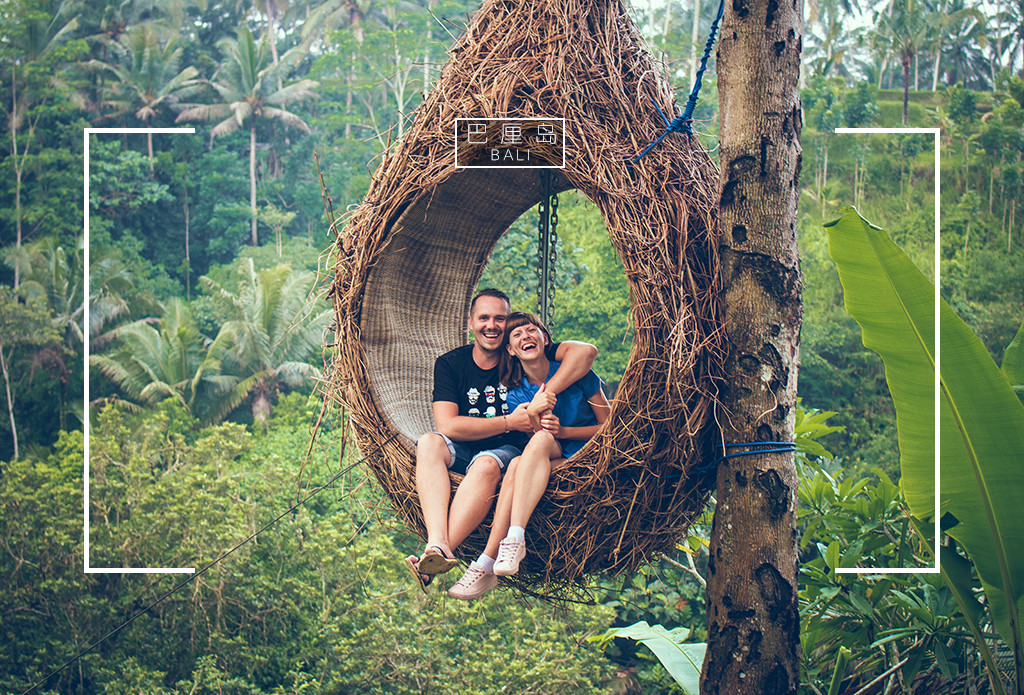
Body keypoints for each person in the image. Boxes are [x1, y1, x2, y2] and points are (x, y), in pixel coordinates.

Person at [406, 290, 598, 592]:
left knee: (485, 464)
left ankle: (440, 555)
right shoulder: (451, 363)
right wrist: (511, 420)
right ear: (471, 322)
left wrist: (542, 395)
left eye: (500, 319)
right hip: (465, 445)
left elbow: (585, 353)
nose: (492, 325)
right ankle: (437, 543)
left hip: (507, 449)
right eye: (484, 318)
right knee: (428, 441)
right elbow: (447, 425)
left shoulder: (525, 355)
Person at [447, 311, 610, 599]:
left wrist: (566, 431)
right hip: (554, 459)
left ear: (544, 338)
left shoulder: (578, 373)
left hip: (591, 456)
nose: (526, 336)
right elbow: (537, 438)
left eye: (531, 330)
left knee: (522, 461)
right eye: (517, 335)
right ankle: (498, 553)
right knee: (521, 461)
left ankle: (499, 550)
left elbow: (610, 427)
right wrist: (535, 412)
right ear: (509, 350)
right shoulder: (516, 395)